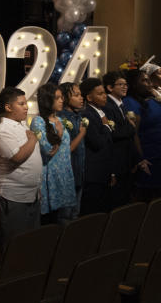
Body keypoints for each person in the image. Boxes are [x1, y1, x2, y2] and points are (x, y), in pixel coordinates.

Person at [0, 87, 41, 255]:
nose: (26, 107)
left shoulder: (21, 125)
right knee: (13, 245)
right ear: (8, 107)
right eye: (21, 104)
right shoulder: (3, 130)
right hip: (12, 195)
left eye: (26, 103)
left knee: (29, 244)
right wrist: (33, 139)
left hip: (30, 194)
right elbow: (17, 157)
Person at [31, 84, 76, 223]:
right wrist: (60, 134)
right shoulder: (38, 122)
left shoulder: (61, 120)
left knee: (67, 218)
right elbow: (49, 150)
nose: (61, 100)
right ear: (47, 100)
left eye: (62, 97)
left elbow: (66, 150)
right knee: (52, 220)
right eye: (57, 98)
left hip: (65, 173)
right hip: (51, 175)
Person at [125, 68, 161, 201]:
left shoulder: (152, 100)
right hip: (149, 158)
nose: (149, 83)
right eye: (144, 80)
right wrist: (140, 159)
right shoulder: (131, 102)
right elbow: (134, 134)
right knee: (150, 199)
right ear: (134, 85)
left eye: (148, 79)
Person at [79, 77, 116, 214]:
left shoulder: (103, 111)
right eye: (100, 94)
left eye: (104, 92)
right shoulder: (87, 114)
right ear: (89, 97)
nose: (105, 96)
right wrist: (107, 127)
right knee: (93, 210)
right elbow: (97, 142)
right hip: (94, 172)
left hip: (104, 170)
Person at [103, 71, 138, 207]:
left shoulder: (120, 104)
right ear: (110, 88)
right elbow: (113, 132)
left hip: (125, 160)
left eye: (126, 84)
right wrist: (131, 127)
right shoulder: (108, 106)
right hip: (116, 161)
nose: (125, 87)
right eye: (120, 84)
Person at [58, 82, 88, 221]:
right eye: (76, 95)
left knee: (75, 215)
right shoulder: (62, 119)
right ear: (64, 98)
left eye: (81, 94)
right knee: (65, 217)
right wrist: (82, 133)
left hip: (79, 172)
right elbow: (66, 149)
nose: (81, 98)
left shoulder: (78, 115)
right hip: (67, 175)